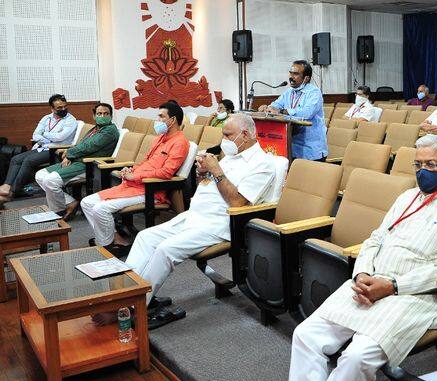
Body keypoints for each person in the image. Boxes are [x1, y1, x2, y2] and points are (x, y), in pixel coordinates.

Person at [289, 134, 437, 381]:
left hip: (413, 296)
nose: (423, 171)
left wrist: (393, 286)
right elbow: (375, 239)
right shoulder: (406, 198)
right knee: (305, 335)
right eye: (418, 165)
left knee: (357, 356)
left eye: (431, 165)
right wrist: (363, 273)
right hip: (369, 283)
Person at [92, 113, 277, 327]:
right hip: (193, 216)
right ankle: (120, 296)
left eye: (228, 135)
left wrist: (216, 171)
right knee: (145, 237)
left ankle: (131, 308)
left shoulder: (263, 164)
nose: (224, 140)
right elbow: (209, 189)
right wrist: (203, 174)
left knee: (165, 249)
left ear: (245, 134)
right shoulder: (232, 156)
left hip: (219, 224)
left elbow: (237, 202)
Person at [80, 103, 189, 253]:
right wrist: (131, 169)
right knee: (86, 202)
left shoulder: (180, 142)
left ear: (173, 119)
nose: (157, 120)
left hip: (151, 190)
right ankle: (112, 239)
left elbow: (166, 172)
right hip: (133, 185)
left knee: (100, 209)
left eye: (161, 116)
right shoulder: (160, 138)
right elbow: (147, 161)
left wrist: (135, 175)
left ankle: (108, 246)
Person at [34, 103, 119, 219]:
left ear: (111, 116)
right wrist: (70, 154)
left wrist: (69, 154)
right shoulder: (96, 128)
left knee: (50, 180)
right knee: (40, 175)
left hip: (88, 165)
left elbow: (89, 146)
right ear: (94, 116)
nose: (102, 116)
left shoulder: (109, 131)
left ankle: (59, 211)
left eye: (106, 113)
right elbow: (81, 144)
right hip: (76, 160)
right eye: (99, 113)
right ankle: (70, 203)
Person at [0, 94, 78, 203]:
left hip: (56, 150)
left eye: (65, 106)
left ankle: (13, 191)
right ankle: (6, 186)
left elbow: (61, 137)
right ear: (52, 108)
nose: (63, 109)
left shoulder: (70, 120)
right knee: (16, 159)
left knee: (28, 161)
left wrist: (44, 134)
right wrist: (49, 138)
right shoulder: (46, 118)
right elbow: (36, 135)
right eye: (59, 108)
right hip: (43, 147)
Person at [258, 60, 327, 161]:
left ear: (306, 78)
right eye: (291, 73)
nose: (291, 76)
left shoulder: (314, 92)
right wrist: (267, 108)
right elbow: (276, 105)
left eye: (296, 74)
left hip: (310, 150)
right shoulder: (289, 92)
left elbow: (307, 113)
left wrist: (281, 111)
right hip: (291, 148)